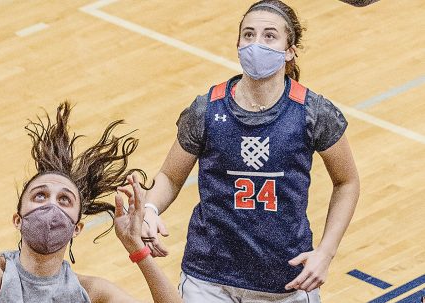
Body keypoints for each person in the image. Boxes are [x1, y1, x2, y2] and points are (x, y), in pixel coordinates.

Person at [0, 34, 182, 303]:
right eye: (40, 196)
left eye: (64, 199)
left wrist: (137, 249)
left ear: (77, 228)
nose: (51, 206)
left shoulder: (91, 294)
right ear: (18, 219)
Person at [141, 0, 360, 302]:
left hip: (286, 282)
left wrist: (326, 252)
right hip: (208, 278)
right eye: (248, 35)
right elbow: (170, 176)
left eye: (269, 36)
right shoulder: (206, 110)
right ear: (238, 43)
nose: (256, 43)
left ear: (289, 50)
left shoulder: (313, 113)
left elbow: (347, 182)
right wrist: (150, 210)